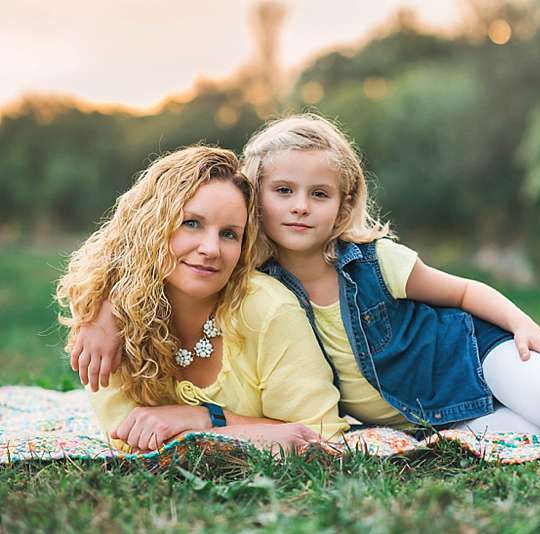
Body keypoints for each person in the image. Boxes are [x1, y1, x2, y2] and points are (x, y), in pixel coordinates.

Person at [73, 116, 540, 441]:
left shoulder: (367, 260)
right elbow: (151, 235)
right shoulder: (246, 266)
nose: (299, 206)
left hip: (470, 359)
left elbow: (462, 292)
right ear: (256, 194)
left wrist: (521, 324)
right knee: (538, 440)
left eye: (319, 195)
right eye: (282, 191)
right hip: (426, 409)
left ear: (344, 204)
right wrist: (103, 310)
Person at [57, 146, 349, 453]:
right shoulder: (111, 321)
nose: (211, 249)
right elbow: (129, 440)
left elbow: (320, 437)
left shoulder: (269, 309)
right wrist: (106, 308)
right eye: (191, 223)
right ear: (151, 228)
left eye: (229, 234)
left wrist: (205, 419)